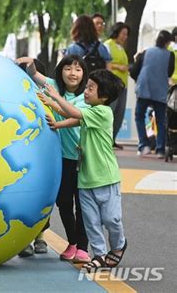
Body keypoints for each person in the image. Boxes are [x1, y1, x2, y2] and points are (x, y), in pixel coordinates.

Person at [43, 69, 127, 272]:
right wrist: (57, 119)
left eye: (91, 88)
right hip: (86, 179)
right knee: (91, 222)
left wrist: (55, 96)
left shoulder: (103, 112)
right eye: (87, 87)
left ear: (104, 96)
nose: (86, 91)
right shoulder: (91, 112)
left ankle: (119, 245)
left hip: (105, 178)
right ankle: (99, 254)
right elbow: (73, 117)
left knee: (111, 219)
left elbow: (74, 112)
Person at [16, 55, 90, 263]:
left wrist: (55, 102)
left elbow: (76, 117)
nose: (72, 73)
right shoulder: (54, 86)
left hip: (84, 159)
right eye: (68, 68)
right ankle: (73, 242)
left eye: (77, 69)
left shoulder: (86, 96)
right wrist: (30, 64)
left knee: (82, 204)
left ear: (83, 74)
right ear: (61, 71)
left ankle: (83, 248)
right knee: (64, 202)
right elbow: (35, 75)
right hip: (63, 159)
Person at [134, 30, 175, 158]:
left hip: (144, 88)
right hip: (160, 90)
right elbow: (169, 72)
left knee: (139, 116)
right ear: (168, 42)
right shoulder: (170, 55)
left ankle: (144, 145)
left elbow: (135, 70)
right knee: (161, 120)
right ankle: (160, 149)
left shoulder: (146, 52)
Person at [104, 22, 131, 149]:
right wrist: (117, 66)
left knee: (119, 114)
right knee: (111, 112)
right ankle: (106, 139)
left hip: (123, 86)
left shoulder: (121, 48)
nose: (125, 37)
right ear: (117, 32)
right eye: (123, 34)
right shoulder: (108, 45)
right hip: (112, 85)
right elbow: (106, 63)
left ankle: (113, 139)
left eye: (127, 34)